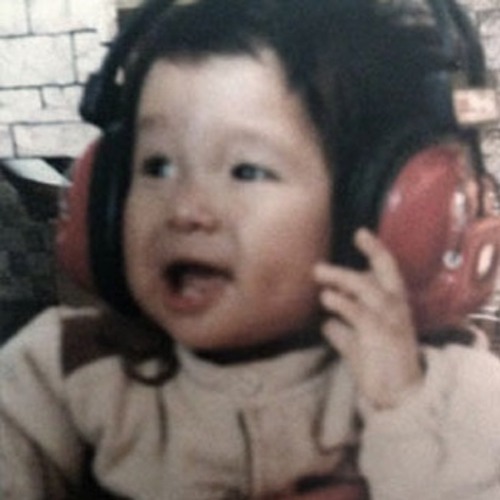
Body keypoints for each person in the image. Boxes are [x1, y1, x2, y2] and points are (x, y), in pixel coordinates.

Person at [2, 0, 500, 498]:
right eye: (158, 166)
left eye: (247, 171)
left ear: (372, 212)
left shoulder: (452, 394)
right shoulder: (62, 371)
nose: (185, 209)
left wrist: (404, 414)